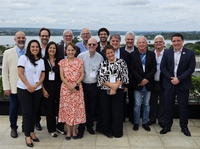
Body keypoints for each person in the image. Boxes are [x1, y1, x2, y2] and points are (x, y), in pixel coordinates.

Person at [160, 33, 196, 137]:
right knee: (168, 106)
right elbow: (163, 67)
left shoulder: (189, 53)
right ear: (171, 42)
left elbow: (191, 69)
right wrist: (171, 78)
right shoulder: (167, 53)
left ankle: (184, 126)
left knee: (183, 106)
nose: (176, 43)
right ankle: (167, 125)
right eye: (174, 41)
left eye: (178, 41)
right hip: (169, 84)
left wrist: (179, 79)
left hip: (183, 84)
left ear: (182, 41)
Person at [96, 45, 129, 138]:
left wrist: (115, 87)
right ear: (105, 55)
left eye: (111, 52)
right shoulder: (103, 64)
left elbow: (124, 76)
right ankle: (107, 130)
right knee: (105, 111)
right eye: (108, 53)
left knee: (117, 112)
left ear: (114, 52)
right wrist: (111, 86)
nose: (110, 54)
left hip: (118, 91)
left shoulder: (121, 62)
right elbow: (101, 78)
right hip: (104, 91)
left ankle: (117, 131)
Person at [17, 40, 45, 147]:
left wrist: (36, 86)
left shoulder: (41, 61)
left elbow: (42, 75)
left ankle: (32, 131)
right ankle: (27, 135)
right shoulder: (23, 58)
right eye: (32, 47)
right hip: (24, 89)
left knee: (34, 112)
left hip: (36, 90)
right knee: (27, 112)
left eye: (37, 47)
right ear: (29, 48)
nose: (35, 49)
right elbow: (20, 72)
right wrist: (28, 85)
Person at [77, 37, 104, 138]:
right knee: (82, 107)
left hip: (94, 85)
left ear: (97, 45)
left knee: (92, 107)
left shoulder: (100, 57)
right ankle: (81, 128)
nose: (91, 46)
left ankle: (90, 126)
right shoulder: (81, 56)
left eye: (93, 44)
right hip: (83, 85)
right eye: (89, 44)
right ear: (87, 45)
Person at [58, 43, 86, 140]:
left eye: (72, 50)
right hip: (66, 88)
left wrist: (75, 84)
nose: (70, 52)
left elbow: (82, 74)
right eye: (68, 50)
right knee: (67, 110)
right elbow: (62, 76)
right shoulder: (62, 62)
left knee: (76, 110)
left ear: (75, 51)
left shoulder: (80, 61)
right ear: (66, 51)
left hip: (77, 88)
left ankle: (74, 131)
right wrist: (69, 85)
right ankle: (68, 132)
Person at [2, 31, 26, 138]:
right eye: (19, 38)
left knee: (26, 109)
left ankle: (25, 127)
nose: (21, 39)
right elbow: (4, 71)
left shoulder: (29, 52)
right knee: (13, 108)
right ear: (15, 39)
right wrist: (6, 87)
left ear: (25, 39)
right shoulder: (8, 53)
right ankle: (13, 128)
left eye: (23, 38)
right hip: (14, 87)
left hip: (26, 87)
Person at [130, 36, 156, 132]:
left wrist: (146, 79)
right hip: (137, 83)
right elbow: (132, 69)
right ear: (137, 44)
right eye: (139, 43)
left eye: (143, 42)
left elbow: (154, 68)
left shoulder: (151, 54)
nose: (141, 44)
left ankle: (145, 122)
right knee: (137, 104)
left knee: (146, 104)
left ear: (146, 43)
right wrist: (140, 80)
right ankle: (136, 123)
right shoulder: (133, 54)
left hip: (148, 83)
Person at [42, 41, 62, 137]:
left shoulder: (60, 61)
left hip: (58, 87)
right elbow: (40, 77)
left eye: (54, 48)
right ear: (47, 49)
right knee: (49, 109)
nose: (52, 50)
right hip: (47, 87)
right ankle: (51, 129)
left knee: (59, 108)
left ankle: (59, 126)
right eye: (50, 48)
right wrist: (43, 89)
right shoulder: (42, 61)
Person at [35, 27, 51, 131]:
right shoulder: (36, 49)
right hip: (37, 81)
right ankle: (37, 122)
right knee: (37, 104)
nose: (44, 37)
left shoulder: (52, 48)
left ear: (49, 37)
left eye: (46, 36)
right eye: (43, 36)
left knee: (49, 104)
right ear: (40, 36)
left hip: (49, 81)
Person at [120, 31, 138, 123]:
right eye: (128, 39)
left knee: (133, 99)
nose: (130, 41)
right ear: (125, 40)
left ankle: (132, 118)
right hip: (122, 80)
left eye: (131, 39)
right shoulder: (121, 50)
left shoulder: (138, 50)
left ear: (134, 40)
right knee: (122, 99)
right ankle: (122, 117)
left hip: (135, 79)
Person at [148, 35, 165, 128]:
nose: (158, 43)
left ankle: (161, 120)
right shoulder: (150, 54)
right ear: (154, 44)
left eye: (160, 42)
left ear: (163, 43)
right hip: (152, 81)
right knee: (152, 101)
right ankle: (152, 119)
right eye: (156, 42)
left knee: (163, 102)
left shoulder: (167, 54)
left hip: (163, 81)